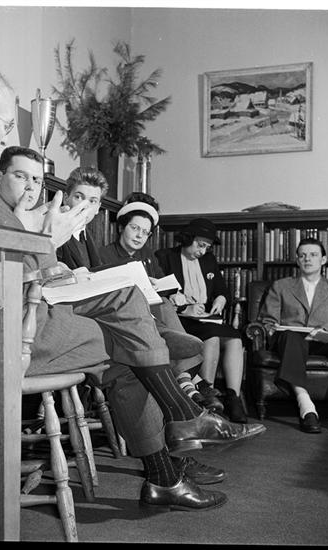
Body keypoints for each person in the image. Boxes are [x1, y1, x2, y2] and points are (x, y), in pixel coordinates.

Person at [0, 64, 265, 512]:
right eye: (6, 126)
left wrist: (40, 239)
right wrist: (48, 238)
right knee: (130, 340)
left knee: (129, 321)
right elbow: (3, 268)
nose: (3, 138)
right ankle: (179, 425)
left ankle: (173, 443)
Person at [57, 171, 205, 377]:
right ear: (65, 198)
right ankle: (164, 343)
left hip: (98, 303)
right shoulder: (57, 231)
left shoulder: (87, 235)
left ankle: (181, 373)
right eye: (78, 197)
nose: (84, 206)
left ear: (98, 208)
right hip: (74, 307)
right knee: (133, 300)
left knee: (156, 302)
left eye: (92, 201)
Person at [100, 192, 223, 412]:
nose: (139, 236)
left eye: (145, 232)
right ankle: (191, 381)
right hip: (124, 318)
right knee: (164, 306)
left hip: (151, 314)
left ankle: (187, 381)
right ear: (121, 227)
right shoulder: (104, 254)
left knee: (166, 302)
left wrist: (174, 293)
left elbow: (162, 283)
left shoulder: (147, 255)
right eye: (135, 228)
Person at [258, 237, 328, 435]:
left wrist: (326, 329)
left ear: (323, 260)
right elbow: (268, 321)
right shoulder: (281, 286)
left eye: (313, 255)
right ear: (297, 260)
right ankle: (306, 408)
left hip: (327, 339)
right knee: (290, 337)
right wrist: (274, 329)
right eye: (302, 255)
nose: (307, 259)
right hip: (293, 340)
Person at [156, 218, 248, 423]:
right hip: (179, 319)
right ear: (188, 238)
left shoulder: (208, 260)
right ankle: (208, 395)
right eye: (200, 245)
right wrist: (184, 307)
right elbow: (160, 293)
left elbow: (222, 290)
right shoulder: (166, 257)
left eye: (207, 246)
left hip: (205, 318)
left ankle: (233, 397)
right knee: (212, 337)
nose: (203, 251)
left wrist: (221, 299)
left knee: (235, 338)